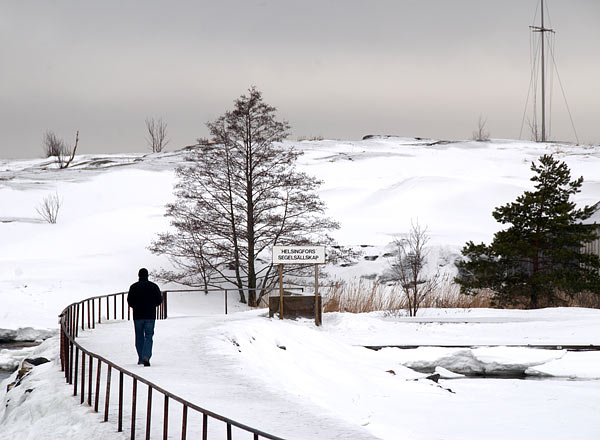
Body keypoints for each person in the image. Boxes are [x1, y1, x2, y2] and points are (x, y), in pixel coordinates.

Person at [127, 268, 163, 367]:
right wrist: (152, 305)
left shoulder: (134, 287)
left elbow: (130, 301)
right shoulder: (154, 286)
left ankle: (140, 358)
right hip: (150, 315)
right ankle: (146, 355)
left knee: (139, 336)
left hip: (137, 316)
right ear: (147, 275)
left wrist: (136, 306)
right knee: (149, 336)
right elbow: (159, 300)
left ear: (139, 275)